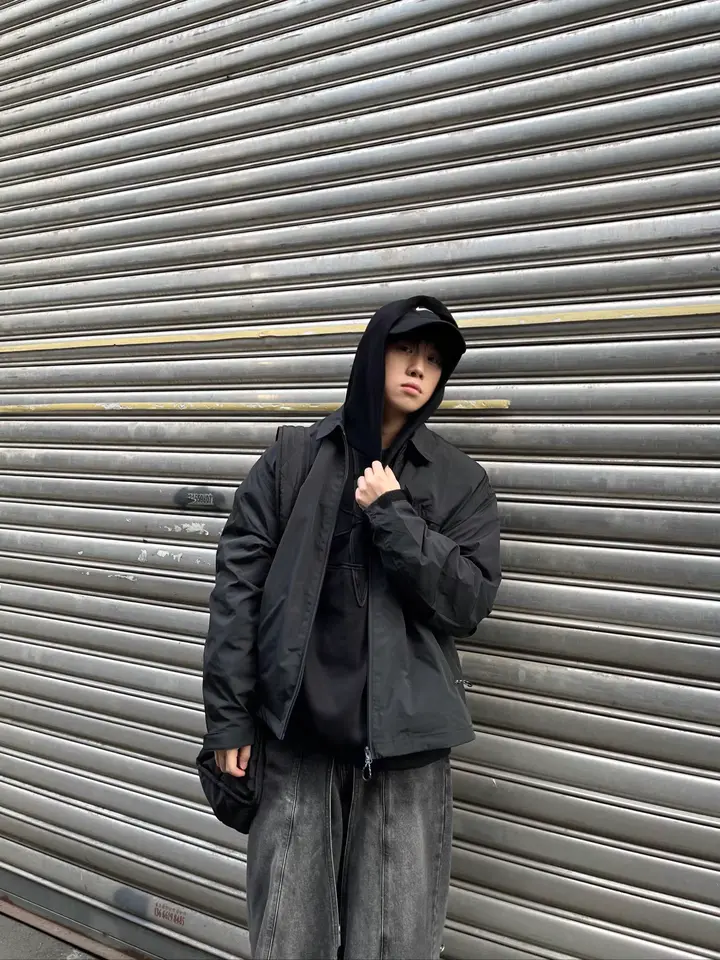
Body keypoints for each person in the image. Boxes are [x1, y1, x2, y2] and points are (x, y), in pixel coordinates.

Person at [202, 295, 502, 960]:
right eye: (406, 349)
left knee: (397, 943)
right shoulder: (293, 459)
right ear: (372, 355)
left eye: (433, 360)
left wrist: (393, 512)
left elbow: (469, 601)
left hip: (405, 755)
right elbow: (237, 592)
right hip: (297, 743)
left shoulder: (459, 482)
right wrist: (228, 720)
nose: (419, 368)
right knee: (288, 938)